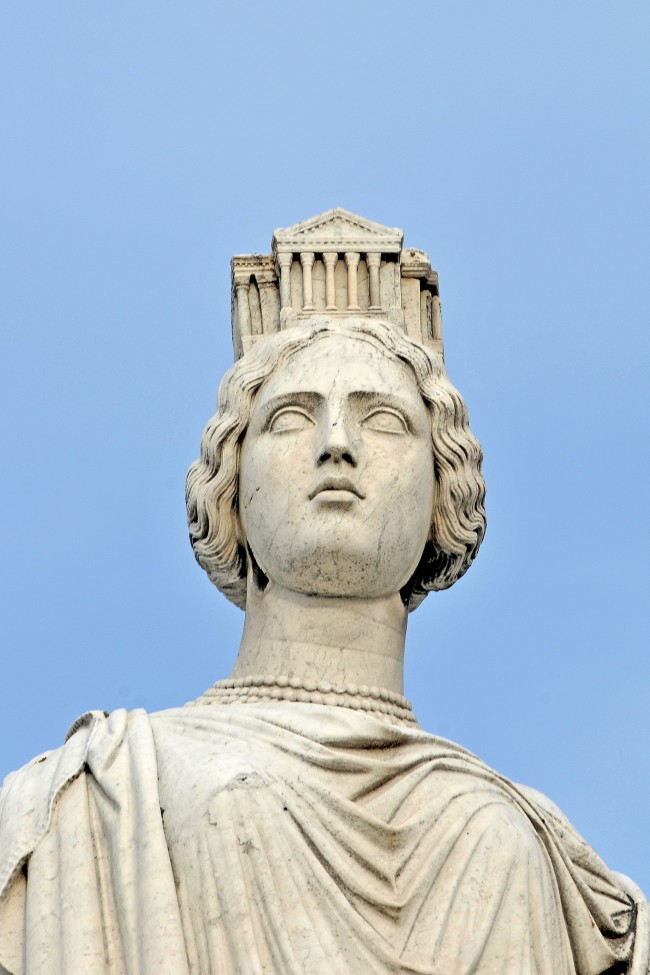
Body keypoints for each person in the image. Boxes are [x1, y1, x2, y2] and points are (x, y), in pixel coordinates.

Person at [1, 220, 648, 974]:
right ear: (229, 489)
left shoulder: (528, 844)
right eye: (290, 416)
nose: (335, 443)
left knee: (487, 829)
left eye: (383, 419)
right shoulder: (97, 796)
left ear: (446, 493)